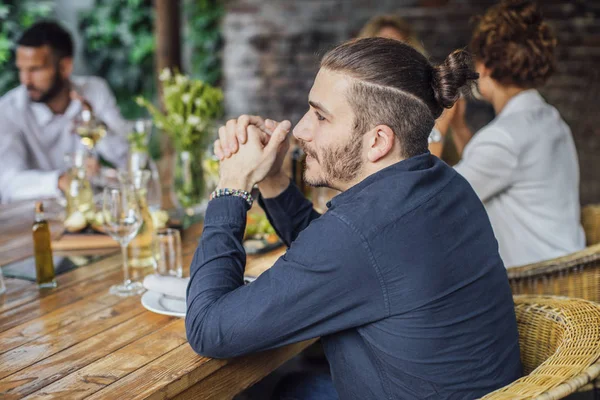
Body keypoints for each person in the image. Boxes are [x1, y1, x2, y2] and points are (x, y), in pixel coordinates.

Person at [185, 37, 522, 399]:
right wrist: (273, 181)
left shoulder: (359, 234)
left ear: (378, 141)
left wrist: (232, 186)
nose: (299, 130)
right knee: (290, 386)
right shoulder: (446, 184)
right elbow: (344, 255)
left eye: (320, 116)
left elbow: (208, 329)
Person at [431, 0, 585, 267]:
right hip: (565, 264)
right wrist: (459, 127)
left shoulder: (504, 138)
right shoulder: (548, 117)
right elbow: (486, 167)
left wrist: (438, 123)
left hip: (536, 279)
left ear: (487, 67)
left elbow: (431, 201)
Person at [0, 21, 130, 204]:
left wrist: (96, 124)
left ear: (65, 67)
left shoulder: (94, 91)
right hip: (35, 222)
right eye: (21, 69)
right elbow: (8, 184)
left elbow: (128, 158)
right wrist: (62, 180)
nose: (26, 81)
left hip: (91, 216)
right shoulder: (8, 110)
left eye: (35, 69)